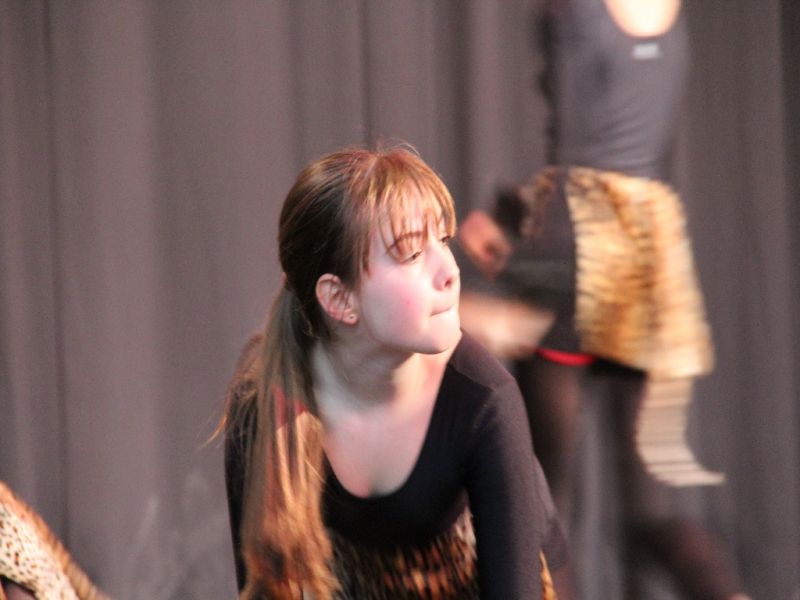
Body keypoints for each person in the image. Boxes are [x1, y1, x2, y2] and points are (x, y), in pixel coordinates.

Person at [457, 0, 749, 598]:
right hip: (645, 254)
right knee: (646, 513)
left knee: (540, 503)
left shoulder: (577, 11)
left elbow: (580, 152)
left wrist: (519, 238)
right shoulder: (668, 15)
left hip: (579, 243)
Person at [219, 147, 570, 599]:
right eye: (412, 253)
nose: (450, 270)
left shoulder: (483, 400)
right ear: (339, 299)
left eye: (443, 240)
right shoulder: (263, 410)